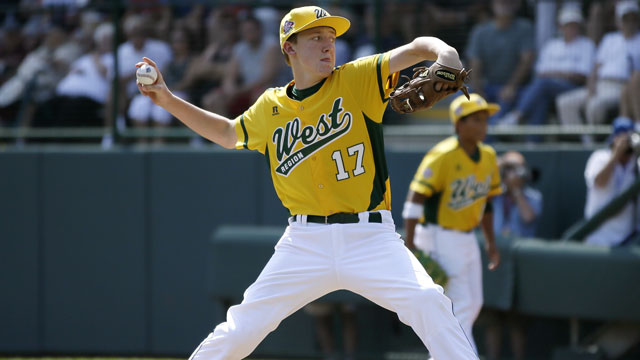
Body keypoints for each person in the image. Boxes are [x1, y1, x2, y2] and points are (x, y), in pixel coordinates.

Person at [136, 6, 479, 360]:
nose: (328, 46)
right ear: (290, 48)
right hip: (304, 243)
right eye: (316, 38)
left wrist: (446, 53)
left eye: (331, 38)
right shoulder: (271, 106)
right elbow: (227, 132)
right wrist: (168, 100)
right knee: (243, 328)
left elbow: (418, 48)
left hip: (371, 237)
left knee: (427, 301)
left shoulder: (356, 78)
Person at [403, 93, 503, 352]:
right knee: (459, 304)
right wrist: (411, 242)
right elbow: (416, 196)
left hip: (468, 236)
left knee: (474, 303)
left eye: (485, 119)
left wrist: (491, 244)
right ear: (459, 124)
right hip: (439, 234)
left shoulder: (489, 156)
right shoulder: (443, 154)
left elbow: (487, 204)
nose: (483, 125)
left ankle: (444, 355)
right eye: (476, 120)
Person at [497, 5, 595, 142]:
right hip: (549, 87)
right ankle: (532, 143)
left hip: (574, 88)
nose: (572, 28)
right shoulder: (551, 45)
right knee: (541, 96)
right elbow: (540, 72)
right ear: (560, 26)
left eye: (575, 25)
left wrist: (556, 74)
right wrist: (563, 74)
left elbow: (581, 76)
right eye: (568, 25)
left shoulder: (587, 44)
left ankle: (515, 117)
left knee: (542, 85)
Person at [484, 151, 543, 360]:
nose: (512, 173)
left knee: (517, 323)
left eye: (516, 169)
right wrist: (501, 168)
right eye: (508, 169)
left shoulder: (533, 197)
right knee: (492, 320)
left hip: (521, 267)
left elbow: (528, 217)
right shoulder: (494, 195)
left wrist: (517, 191)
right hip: (495, 262)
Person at [556, 0, 640, 142]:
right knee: (564, 102)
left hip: (621, 86)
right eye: (626, 19)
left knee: (595, 105)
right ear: (619, 21)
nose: (629, 23)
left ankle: (594, 142)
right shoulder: (609, 39)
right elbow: (595, 67)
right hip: (600, 84)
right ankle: (584, 140)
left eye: (633, 19)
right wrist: (591, 86)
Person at [465, 0, 535, 123]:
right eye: (500, 2)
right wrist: (478, 91)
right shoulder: (480, 31)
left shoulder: (525, 27)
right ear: (492, 4)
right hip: (487, 85)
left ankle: (530, 141)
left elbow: (527, 60)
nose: (504, 5)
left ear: (516, 5)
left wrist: (511, 86)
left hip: (516, 86)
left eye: (508, 2)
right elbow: (475, 63)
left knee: (533, 94)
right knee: (461, 93)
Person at [584, 116, 640, 246]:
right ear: (614, 138)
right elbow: (599, 182)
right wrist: (616, 154)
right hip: (598, 237)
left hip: (627, 239)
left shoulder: (636, 164)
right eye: (622, 137)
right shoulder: (600, 158)